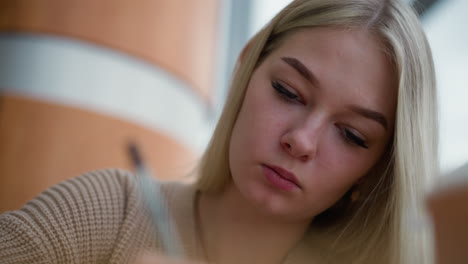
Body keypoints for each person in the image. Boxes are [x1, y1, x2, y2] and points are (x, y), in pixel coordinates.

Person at [0, 0, 438, 263]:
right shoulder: (108, 214)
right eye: (288, 91)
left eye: (353, 135)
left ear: (376, 168)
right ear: (245, 67)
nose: (301, 141)